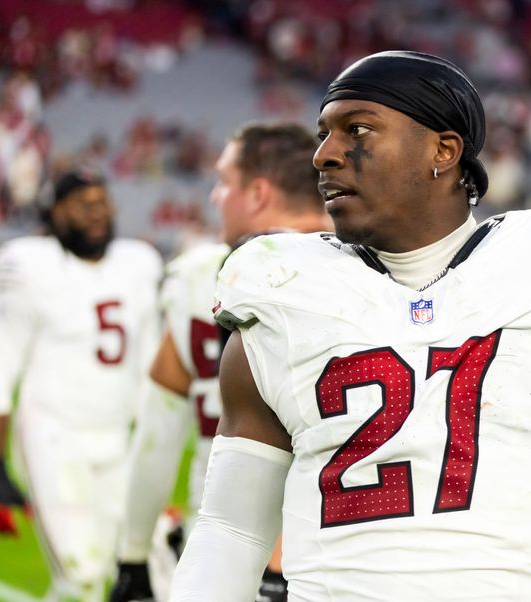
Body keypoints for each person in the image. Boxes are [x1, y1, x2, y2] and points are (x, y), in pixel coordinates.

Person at [170, 50, 531, 602]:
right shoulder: (284, 293)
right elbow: (230, 530)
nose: (324, 157)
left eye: (356, 130)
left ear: (443, 151)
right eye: (322, 134)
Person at [109, 122, 331, 602]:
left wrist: (132, 554)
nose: (213, 196)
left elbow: (157, 438)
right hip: (336, 553)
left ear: (257, 193)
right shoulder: (368, 268)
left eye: (224, 181)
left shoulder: (199, 279)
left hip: (218, 552)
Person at [0, 168, 163, 601]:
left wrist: (151, 440)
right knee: (81, 575)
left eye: (102, 202)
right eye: (83, 205)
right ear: (55, 212)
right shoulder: (30, 265)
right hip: (53, 435)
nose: (95, 213)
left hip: (117, 439)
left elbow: (149, 358)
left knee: (135, 567)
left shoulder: (137, 263)